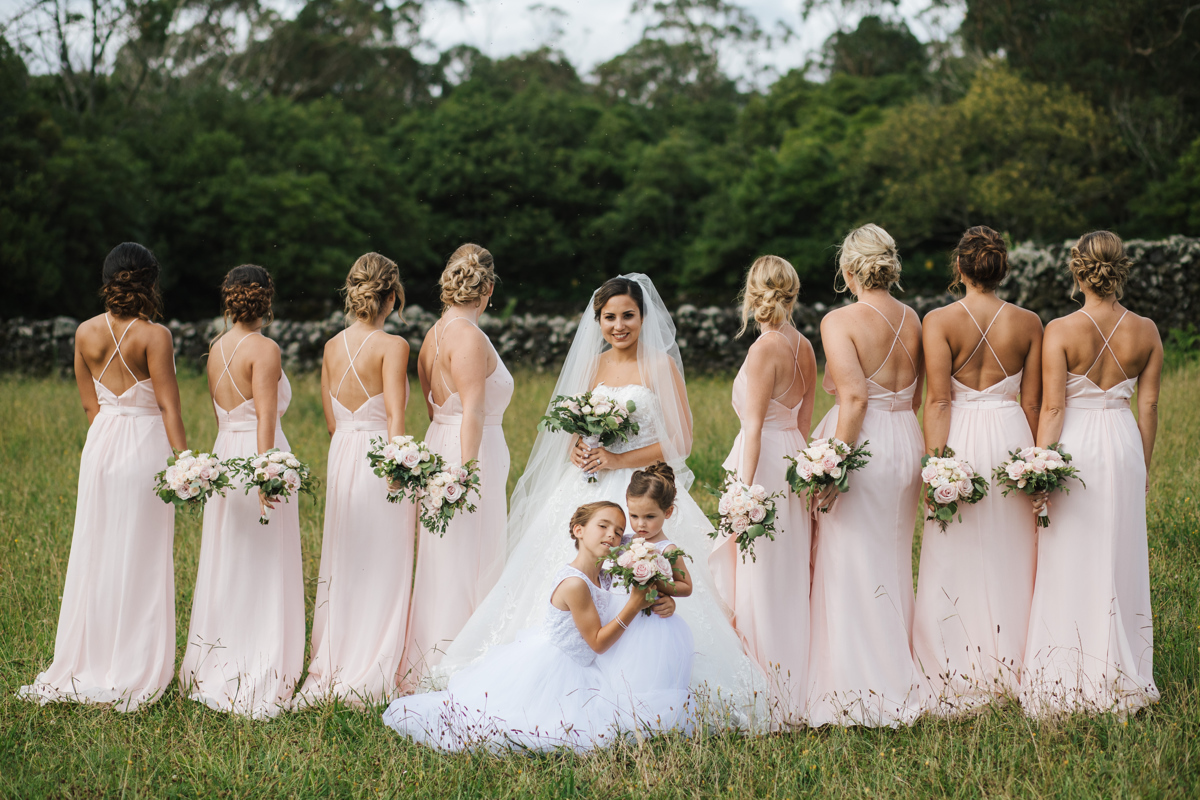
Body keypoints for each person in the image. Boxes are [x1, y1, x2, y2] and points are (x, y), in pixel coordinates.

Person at [429, 274, 769, 730]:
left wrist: (618, 457)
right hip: (586, 488)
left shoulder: (659, 366)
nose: (619, 325)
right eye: (609, 317)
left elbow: (680, 440)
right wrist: (577, 445)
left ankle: (639, 670)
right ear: (598, 321)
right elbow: (576, 423)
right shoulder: (593, 365)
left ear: (643, 318)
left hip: (640, 490)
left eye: (628, 315)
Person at [19, 243, 186, 712]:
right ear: (150, 282)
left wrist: (107, 443)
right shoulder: (155, 336)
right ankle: (129, 662)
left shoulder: (84, 332)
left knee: (96, 550)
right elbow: (169, 408)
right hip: (143, 446)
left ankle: (87, 657)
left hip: (101, 445)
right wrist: (187, 464)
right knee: (141, 555)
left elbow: (90, 406)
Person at [382, 502, 665, 752]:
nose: (612, 535)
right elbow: (598, 643)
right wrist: (634, 605)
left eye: (618, 531)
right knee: (538, 725)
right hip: (559, 666)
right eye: (603, 526)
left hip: (590, 665)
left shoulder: (606, 573)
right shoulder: (576, 584)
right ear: (579, 531)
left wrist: (663, 597)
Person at [1021, 231, 1162, 717]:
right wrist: (1141, 466)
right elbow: (1148, 405)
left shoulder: (1061, 330)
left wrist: (1039, 467)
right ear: (1120, 269)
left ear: (1077, 271)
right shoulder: (1147, 330)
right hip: (1122, 445)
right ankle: (1123, 667)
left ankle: (1070, 670)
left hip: (1076, 447)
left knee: (1069, 552)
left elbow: (1055, 407)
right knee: (1119, 549)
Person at [911, 227, 1044, 715]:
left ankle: (952, 663)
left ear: (959, 268)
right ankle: (1014, 662)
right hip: (1012, 437)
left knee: (954, 545)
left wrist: (935, 463)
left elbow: (939, 399)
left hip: (962, 437)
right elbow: (1032, 401)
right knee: (1014, 547)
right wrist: (1033, 462)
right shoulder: (1029, 322)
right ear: (1002, 268)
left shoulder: (939, 320)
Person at [807, 224, 927, 727]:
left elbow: (854, 399)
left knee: (851, 558)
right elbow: (918, 395)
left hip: (864, 444)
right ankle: (898, 665)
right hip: (906, 438)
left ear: (849, 270)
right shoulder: (914, 318)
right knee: (893, 556)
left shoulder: (840, 321)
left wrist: (833, 463)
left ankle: (860, 685)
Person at [179, 265, 305, 719]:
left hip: (223, 455)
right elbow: (265, 422)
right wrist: (267, 476)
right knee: (264, 563)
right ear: (266, 299)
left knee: (231, 562)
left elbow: (221, 418)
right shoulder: (265, 349)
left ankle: (217, 659)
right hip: (257, 460)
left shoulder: (215, 349)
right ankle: (258, 665)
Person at [295, 253, 416, 708]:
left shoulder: (330, 347)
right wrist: (401, 469)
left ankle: (337, 656)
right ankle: (373, 662)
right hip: (380, 459)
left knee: (344, 559)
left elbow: (331, 420)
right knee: (384, 559)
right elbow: (396, 418)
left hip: (342, 455)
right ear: (392, 296)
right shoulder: (393, 346)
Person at [708, 255, 817, 727]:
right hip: (793, 460)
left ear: (752, 294)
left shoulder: (762, 350)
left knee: (756, 571)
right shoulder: (806, 347)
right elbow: (805, 423)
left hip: (763, 466)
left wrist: (744, 494)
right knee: (788, 572)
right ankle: (796, 681)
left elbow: (752, 428)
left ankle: (763, 691)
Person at [400, 244, 513, 689]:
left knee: (451, 555)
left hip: (443, 443)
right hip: (469, 454)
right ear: (487, 287)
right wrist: (464, 474)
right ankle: (462, 661)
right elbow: (471, 412)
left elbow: (434, 408)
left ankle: (437, 655)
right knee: (470, 554)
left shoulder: (433, 334)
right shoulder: (467, 336)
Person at [599, 463, 694, 731]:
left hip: (651, 621)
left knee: (643, 666)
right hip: (620, 610)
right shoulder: (625, 540)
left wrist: (661, 587)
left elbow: (685, 586)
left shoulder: (668, 549)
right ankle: (613, 706)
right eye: (634, 515)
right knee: (614, 662)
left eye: (650, 517)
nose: (641, 525)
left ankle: (645, 715)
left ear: (668, 512)